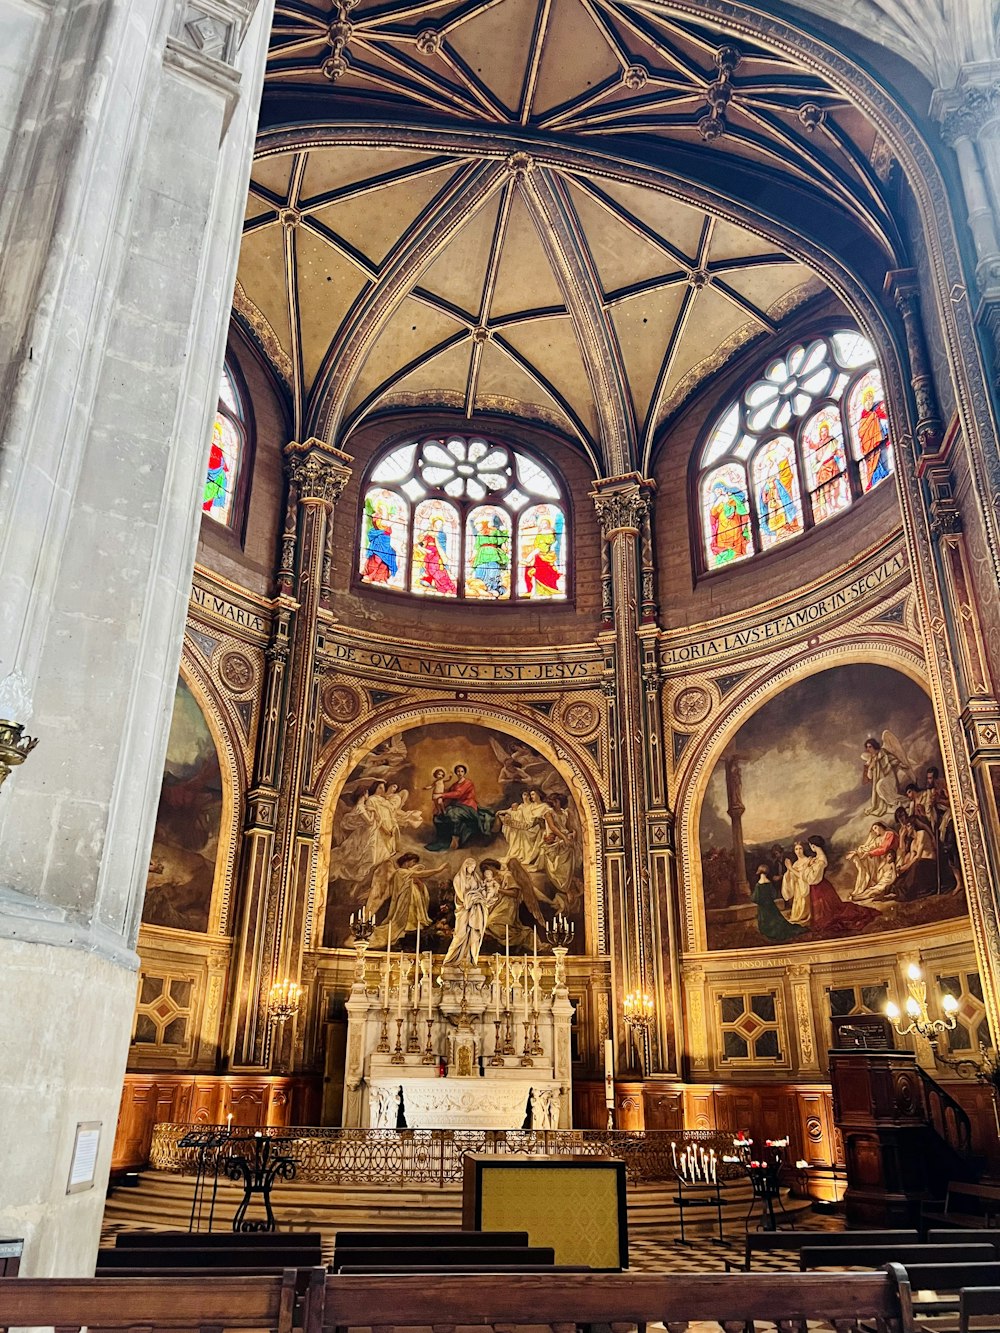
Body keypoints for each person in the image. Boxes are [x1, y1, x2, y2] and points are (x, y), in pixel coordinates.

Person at [366, 852, 448, 949]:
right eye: (413, 862)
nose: (414, 864)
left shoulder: (408, 874)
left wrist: (419, 884)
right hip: (405, 901)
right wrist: (439, 870)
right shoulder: (400, 872)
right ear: (407, 861)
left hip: (412, 901)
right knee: (406, 918)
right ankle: (408, 925)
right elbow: (420, 874)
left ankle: (415, 924)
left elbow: (419, 884)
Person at [801, 835, 880, 935]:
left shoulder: (821, 861)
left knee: (827, 915)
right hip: (820, 887)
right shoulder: (817, 858)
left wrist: (807, 867)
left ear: (813, 846)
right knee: (824, 913)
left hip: (820, 887)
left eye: (810, 845)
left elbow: (812, 879)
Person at [425, 764, 494, 851]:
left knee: (452, 813)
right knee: (438, 816)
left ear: (464, 772)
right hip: (457, 806)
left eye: (462, 771)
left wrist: (441, 795)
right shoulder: (454, 785)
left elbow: (458, 794)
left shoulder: (468, 783)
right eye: (458, 771)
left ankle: (455, 839)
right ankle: (443, 840)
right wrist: (440, 799)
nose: (460, 773)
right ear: (456, 773)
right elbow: (449, 793)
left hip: (468, 806)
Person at [442, 858, 495, 968]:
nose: (472, 869)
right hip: (464, 910)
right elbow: (462, 897)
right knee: (460, 935)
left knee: (474, 936)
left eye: (474, 868)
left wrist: (482, 897)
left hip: (476, 911)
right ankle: (450, 960)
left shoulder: (476, 877)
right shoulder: (458, 879)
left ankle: (471, 961)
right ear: (465, 866)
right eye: (471, 867)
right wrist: (475, 897)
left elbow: (481, 890)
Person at [752, 864, 806, 942]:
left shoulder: (758, 885)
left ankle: (769, 931)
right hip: (771, 905)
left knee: (765, 920)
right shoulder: (769, 883)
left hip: (763, 907)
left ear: (759, 872)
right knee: (775, 918)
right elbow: (774, 895)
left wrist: (760, 900)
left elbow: (755, 898)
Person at [848, 821, 898, 903]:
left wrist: (869, 853)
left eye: (875, 828)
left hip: (893, 857)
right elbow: (870, 847)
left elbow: (884, 849)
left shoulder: (889, 834)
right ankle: (859, 894)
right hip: (885, 861)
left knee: (873, 890)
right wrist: (857, 852)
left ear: (881, 826)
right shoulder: (878, 839)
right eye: (873, 829)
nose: (874, 831)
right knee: (871, 887)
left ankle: (859, 897)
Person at [856, 382, 890, 489]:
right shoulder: (863, 416)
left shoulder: (876, 406)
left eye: (871, 397)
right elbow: (861, 432)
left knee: (883, 456)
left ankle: (886, 472)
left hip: (879, 438)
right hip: (869, 444)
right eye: (867, 398)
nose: (869, 400)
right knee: (873, 461)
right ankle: (875, 479)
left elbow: (885, 414)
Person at [709, 482, 750, 564]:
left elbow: (741, 510)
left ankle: (738, 557)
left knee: (735, 545)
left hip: (734, 524)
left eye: (718, 490)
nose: (717, 492)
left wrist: (727, 501)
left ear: (722, 489)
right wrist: (718, 502)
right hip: (722, 529)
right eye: (715, 491)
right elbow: (713, 514)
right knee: (723, 548)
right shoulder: (718, 501)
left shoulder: (732, 498)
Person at [470, 515, 510, 596]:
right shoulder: (479, 535)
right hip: (481, 555)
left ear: (483, 523)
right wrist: (472, 557)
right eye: (476, 525)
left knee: (493, 570)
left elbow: (501, 541)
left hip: (493, 553)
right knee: (480, 569)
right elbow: (476, 547)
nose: (476, 527)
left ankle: (493, 588)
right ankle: (483, 588)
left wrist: (504, 548)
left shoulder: (495, 531)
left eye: (477, 524)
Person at [362, 501, 399, 584]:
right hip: (379, 540)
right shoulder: (377, 517)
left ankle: (381, 577)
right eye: (381, 508)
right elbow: (380, 526)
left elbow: (389, 525)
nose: (383, 510)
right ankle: (371, 575)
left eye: (384, 508)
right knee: (377, 558)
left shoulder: (388, 518)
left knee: (386, 560)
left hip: (386, 540)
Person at [417, 519, 457, 595]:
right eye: (437, 524)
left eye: (440, 524)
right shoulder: (428, 534)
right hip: (428, 555)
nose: (438, 526)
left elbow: (441, 546)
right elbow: (422, 542)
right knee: (428, 569)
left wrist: (434, 536)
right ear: (433, 523)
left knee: (436, 569)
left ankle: (445, 586)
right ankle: (432, 581)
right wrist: (422, 546)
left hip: (436, 555)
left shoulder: (441, 535)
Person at [523, 520, 562, 597]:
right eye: (542, 523)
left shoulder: (550, 532)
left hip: (545, 554)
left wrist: (544, 538)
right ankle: (539, 592)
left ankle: (549, 590)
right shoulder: (539, 533)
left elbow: (551, 541)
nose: (543, 525)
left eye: (545, 523)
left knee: (546, 573)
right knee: (538, 572)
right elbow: (536, 543)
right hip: (538, 555)